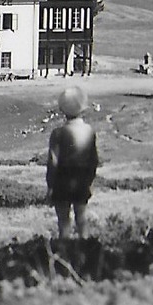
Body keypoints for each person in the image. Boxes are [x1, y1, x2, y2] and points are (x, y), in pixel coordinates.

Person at [46, 84, 98, 240]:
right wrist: (90, 182)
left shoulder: (58, 133)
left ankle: (64, 253)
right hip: (82, 179)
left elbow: (53, 162)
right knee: (81, 219)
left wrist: (50, 187)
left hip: (62, 180)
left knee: (64, 223)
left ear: (62, 109)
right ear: (83, 108)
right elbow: (93, 160)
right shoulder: (89, 131)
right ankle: (85, 250)